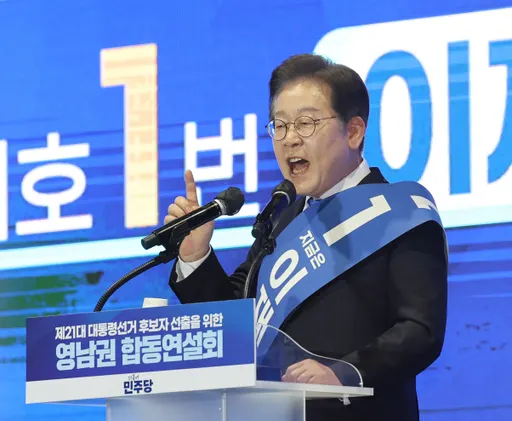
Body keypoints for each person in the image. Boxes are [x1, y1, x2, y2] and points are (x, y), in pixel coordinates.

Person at [167, 54, 448, 421]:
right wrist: (196, 255)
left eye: (305, 123)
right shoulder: (282, 216)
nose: (290, 139)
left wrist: (344, 373)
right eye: (280, 126)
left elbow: (419, 330)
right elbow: (236, 324)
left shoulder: (401, 213)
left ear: (353, 132)